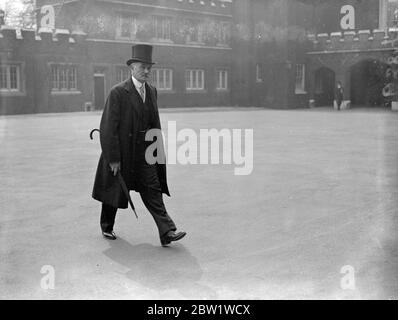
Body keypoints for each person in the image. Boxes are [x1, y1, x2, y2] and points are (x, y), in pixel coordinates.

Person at [92, 44, 186, 246]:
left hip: (145, 153)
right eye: (143, 67)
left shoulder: (151, 91)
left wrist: (156, 151)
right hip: (124, 152)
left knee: (152, 189)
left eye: (149, 67)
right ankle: (106, 226)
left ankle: (167, 231)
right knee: (115, 189)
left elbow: (154, 122)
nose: (147, 71)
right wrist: (114, 158)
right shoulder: (118, 92)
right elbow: (108, 128)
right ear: (132, 67)